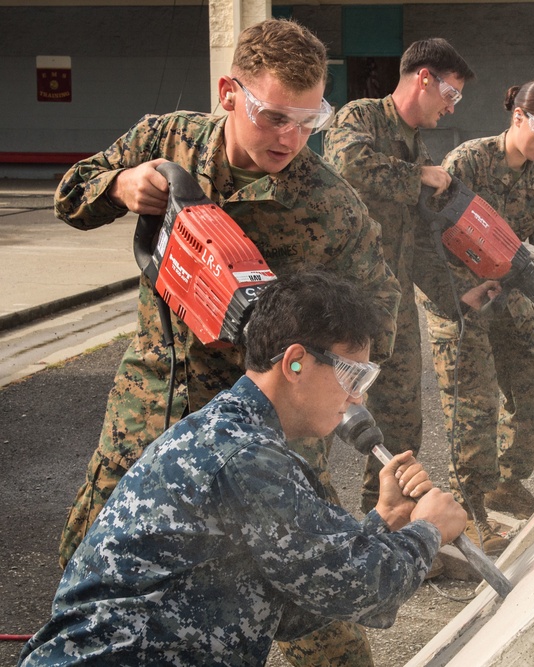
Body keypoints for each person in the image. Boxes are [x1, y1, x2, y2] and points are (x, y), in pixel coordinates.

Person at [53, 18, 401, 667]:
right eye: (273, 116)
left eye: (308, 119)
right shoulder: (166, 140)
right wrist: (120, 185)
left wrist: (302, 331)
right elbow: (72, 193)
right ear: (230, 92)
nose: (291, 138)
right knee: (93, 586)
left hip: (268, 440)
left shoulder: (329, 206)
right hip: (149, 418)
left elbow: (379, 310)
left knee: (322, 622)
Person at [18, 270, 468, 666]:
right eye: (353, 377)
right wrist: (428, 531)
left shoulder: (236, 434)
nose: (358, 398)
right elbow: (358, 588)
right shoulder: (245, 457)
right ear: (295, 362)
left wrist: (385, 522)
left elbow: (299, 602)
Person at [419, 81, 534, 546]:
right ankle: (469, 510)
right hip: (459, 298)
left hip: (509, 293)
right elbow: (429, 238)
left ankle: (505, 483)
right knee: (474, 405)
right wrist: (462, 292)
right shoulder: (469, 162)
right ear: (517, 117)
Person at [323, 39, 479, 526]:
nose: (452, 105)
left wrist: (457, 297)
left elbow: (418, 239)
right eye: (451, 93)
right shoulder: (361, 117)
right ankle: (306, 535)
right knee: (320, 421)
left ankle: (385, 522)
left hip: (393, 309)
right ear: (424, 78)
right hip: (339, 304)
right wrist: (420, 176)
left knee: (399, 424)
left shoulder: (417, 144)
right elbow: (348, 165)